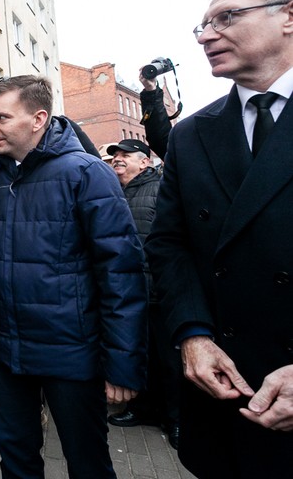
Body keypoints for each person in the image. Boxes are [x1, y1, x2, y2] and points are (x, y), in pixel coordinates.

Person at [0, 75, 147, 479]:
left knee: (87, 461)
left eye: (2, 117)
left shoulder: (87, 173)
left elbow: (120, 273)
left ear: (39, 118)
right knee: (17, 461)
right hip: (2, 352)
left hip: (71, 353)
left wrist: (122, 363)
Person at [145, 0, 293, 478]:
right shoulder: (192, 135)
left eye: (226, 18)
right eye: (203, 26)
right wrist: (192, 334)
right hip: (224, 395)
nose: (207, 36)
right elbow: (169, 244)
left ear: (288, 16)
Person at [105, 139, 181, 449]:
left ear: (144, 162)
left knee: (170, 361)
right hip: (129, 293)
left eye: (125, 156)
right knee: (141, 355)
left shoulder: (159, 189)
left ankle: (177, 420)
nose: (118, 160)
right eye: (116, 156)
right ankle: (143, 408)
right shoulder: (115, 191)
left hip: (159, 293)